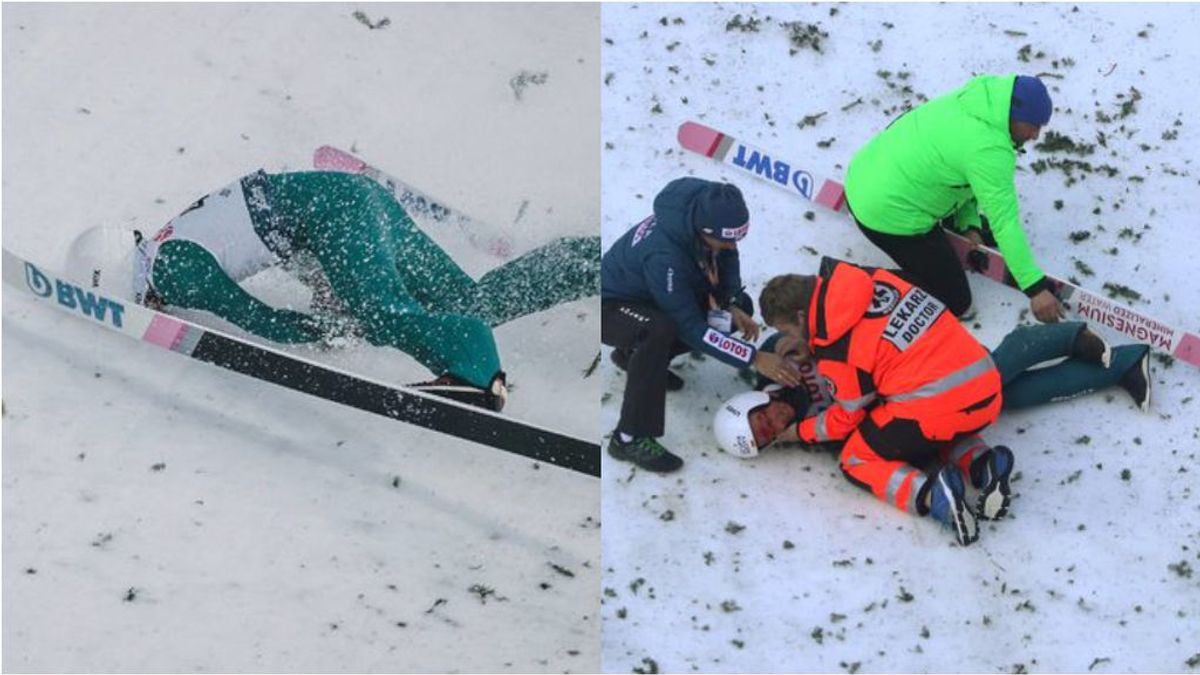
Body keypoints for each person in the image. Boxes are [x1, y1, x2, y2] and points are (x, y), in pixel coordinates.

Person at [65, 169, 600, 411]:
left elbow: (259, 320)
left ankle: (475, 371)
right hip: (351, 200)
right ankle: (588, 261)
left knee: (384, 314)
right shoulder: (168, 243)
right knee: (464, 301)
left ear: (109, 282)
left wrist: (332, 332)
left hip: (335, 214)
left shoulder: (169, 268)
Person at [723, 259, 1151, 546]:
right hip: (963, 365)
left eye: (793, 335)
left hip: (940, 395)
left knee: (861, 457)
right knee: (990, 399)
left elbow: (846, 414)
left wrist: (797, 432)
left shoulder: (835, 351)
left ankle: (937, 497)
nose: (770, 425)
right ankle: (987, 466)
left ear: (801, 318)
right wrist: (807, 350)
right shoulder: (868, 278)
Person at [601, 177, 801, 473]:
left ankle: (634, 359)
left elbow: (726, 255)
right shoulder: (665, 256)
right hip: (611, 307)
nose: (732, 246)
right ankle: (629, 437)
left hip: (654, 296)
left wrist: (731, 301)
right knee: (658, 330)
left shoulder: (710, 207)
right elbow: (690, 328)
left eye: (737, 239)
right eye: (725, 240)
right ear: (702, 231)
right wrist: (754, 357)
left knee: (738, 307)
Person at [844, 74, 1065, 323]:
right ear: (1013, 117)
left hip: (865, 174)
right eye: (1033, 126)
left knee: (983, 223)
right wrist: (1035, 288)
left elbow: (962, 174)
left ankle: (952, 226)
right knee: (958, 302)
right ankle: (864, 281)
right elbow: (1005, 222)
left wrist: (968, 224)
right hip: (886, 215)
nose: (1036, 135)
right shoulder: (988, 150)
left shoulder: (975, 101)